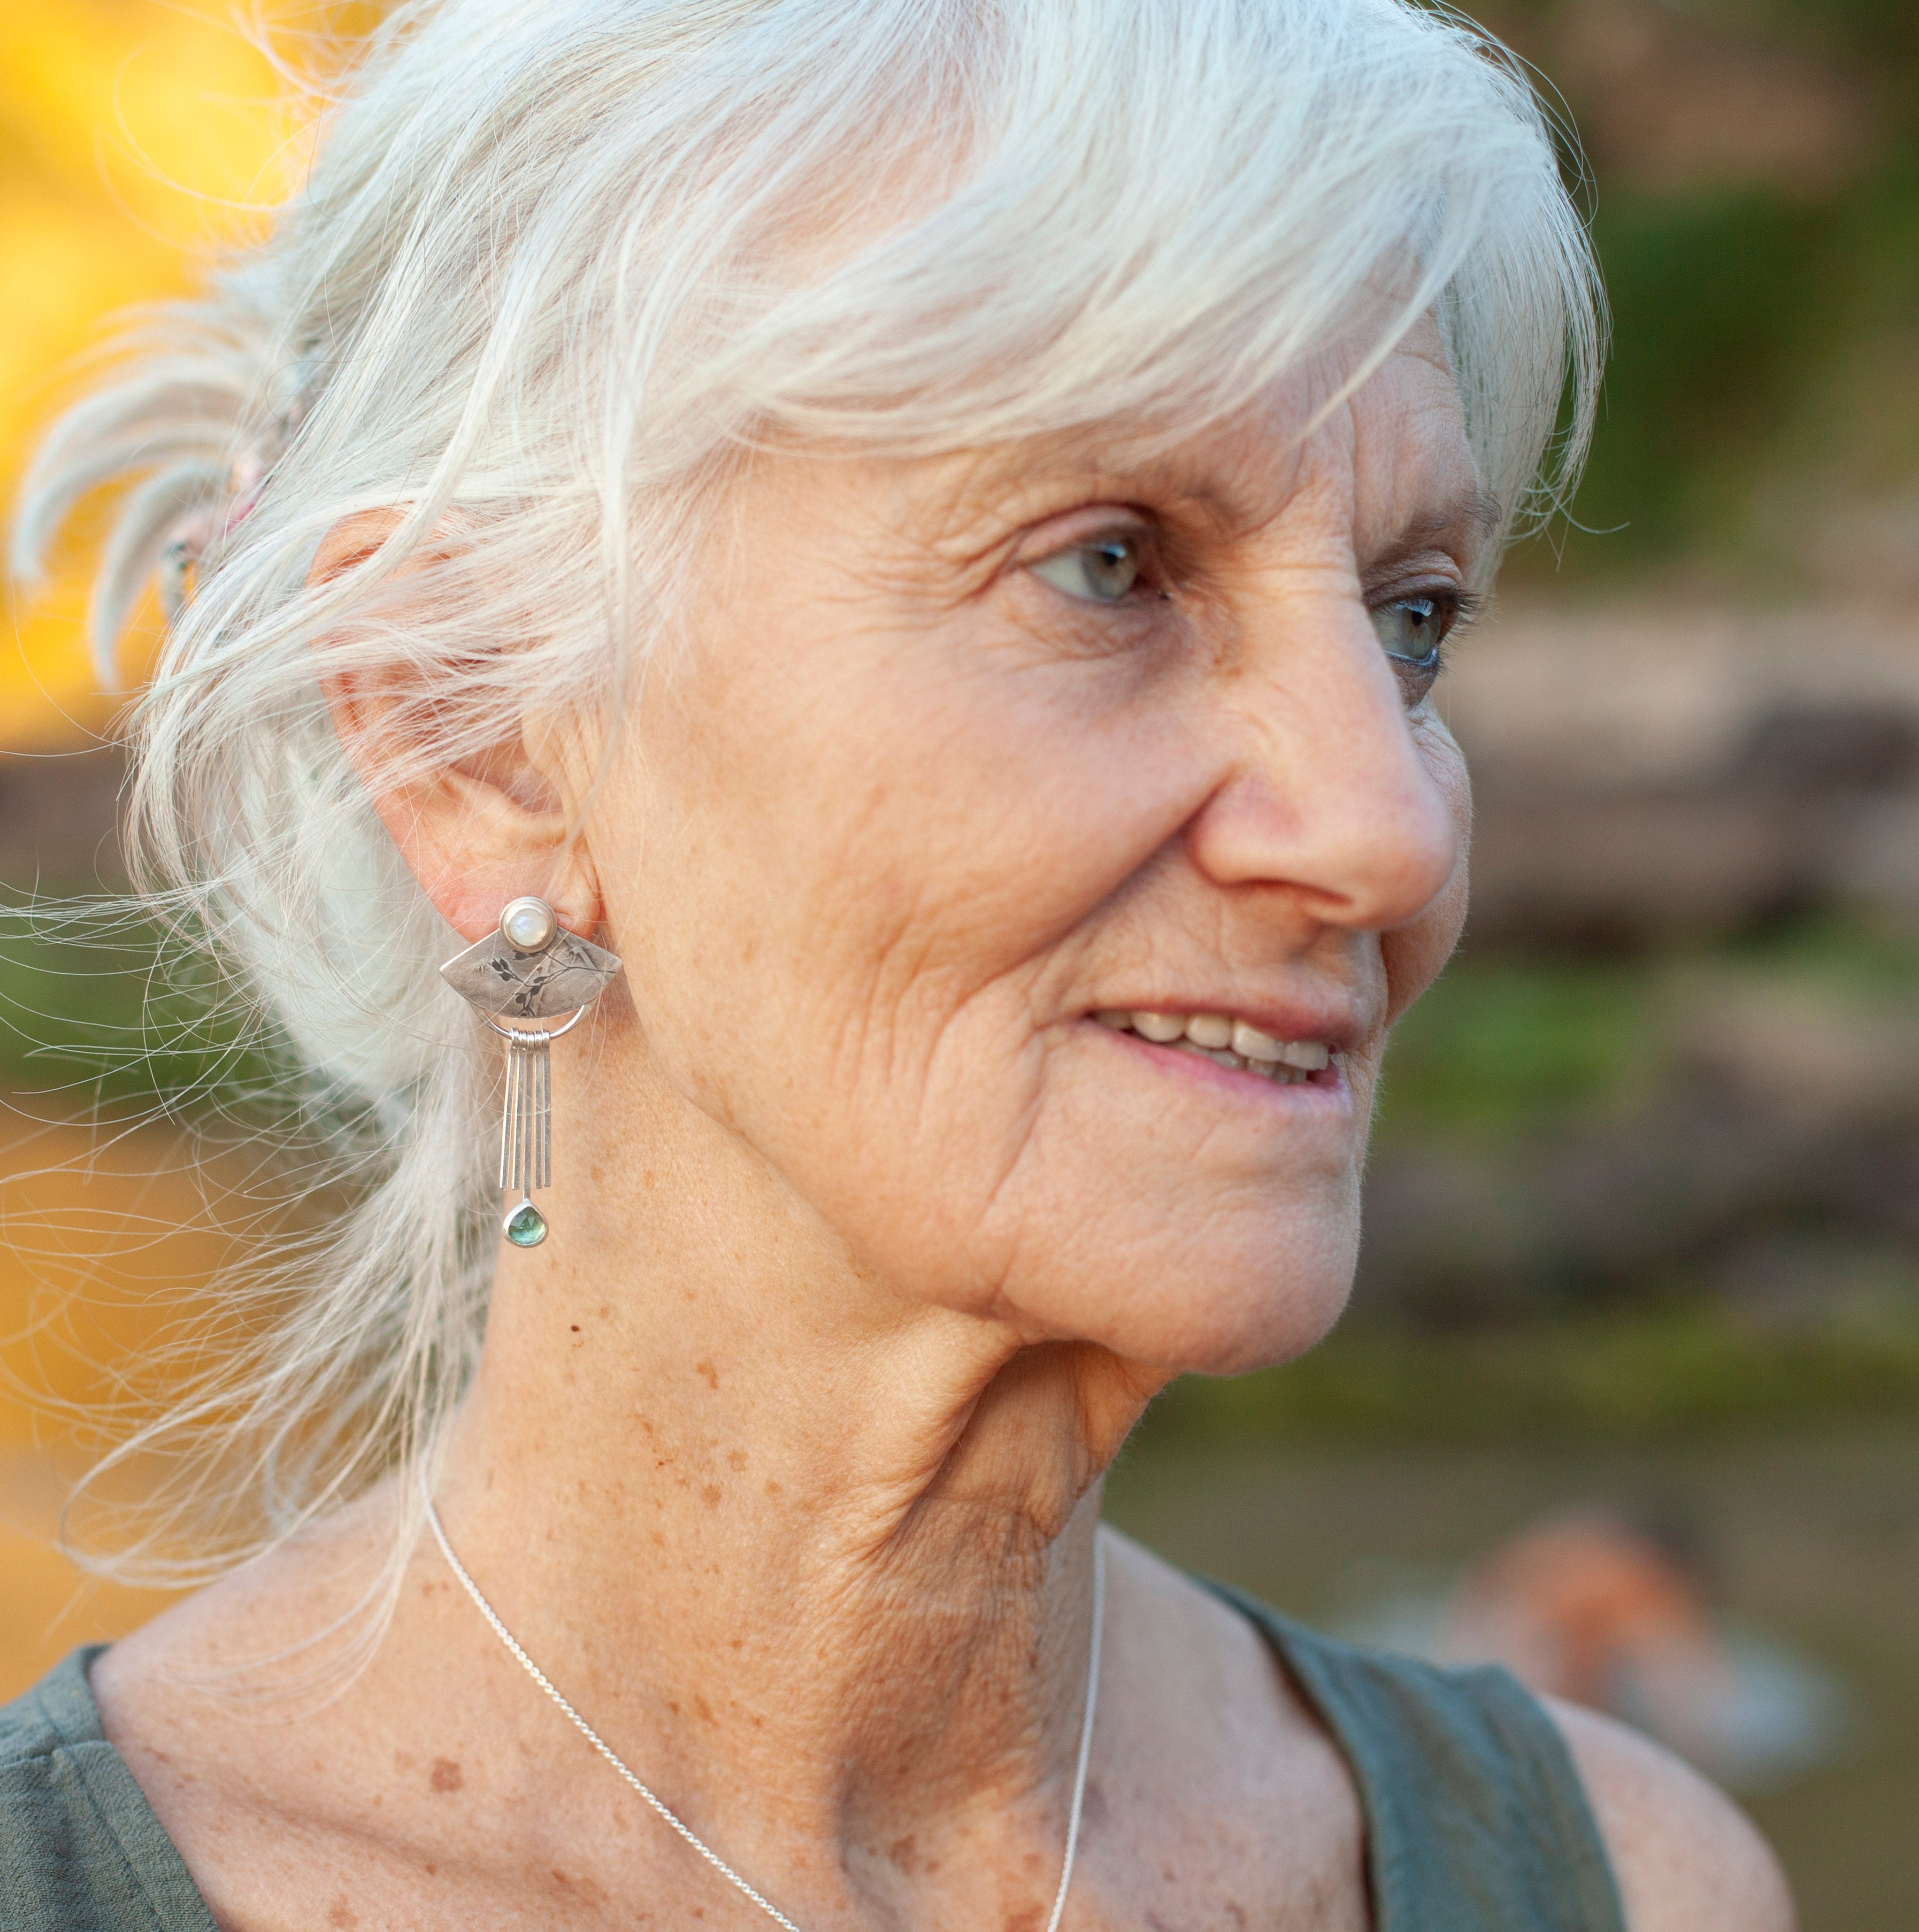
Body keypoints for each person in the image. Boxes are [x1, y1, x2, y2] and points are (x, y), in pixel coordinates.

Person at [3, 2, 1794, 1926]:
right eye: (1108, 564)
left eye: (1412, 620)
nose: (1391, 829)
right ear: (475, 737)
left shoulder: (1627, 1882)